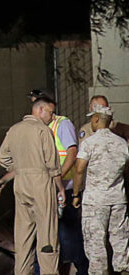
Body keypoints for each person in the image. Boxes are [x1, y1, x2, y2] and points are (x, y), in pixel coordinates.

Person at [0, 96, 65, 275]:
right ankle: (49, 272)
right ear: (40, 110)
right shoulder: (43, 131)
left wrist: (19, 167)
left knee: (23, 235)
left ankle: (22, 271)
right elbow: (53, 164)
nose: (52, 116)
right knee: (47, 233)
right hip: (41, 182)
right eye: (50, 112)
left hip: (21, 183)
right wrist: (61, 188)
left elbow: (2, 158)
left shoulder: (14, 130)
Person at [28, 90, 86, 275]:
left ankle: (82, 269)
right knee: (47, 235)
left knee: (68, 235)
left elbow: (71, 152)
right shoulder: (37, 128)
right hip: (45, 189)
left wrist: (59, 177)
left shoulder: (62, 124)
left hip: (64, 189)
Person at [72, 103, 129, 275]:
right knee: (120, 239)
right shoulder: (121, 143)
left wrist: (75, 194)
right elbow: (125, 167)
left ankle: (99, 272)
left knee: (95, 241)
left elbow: (80, 169)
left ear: (96, 120)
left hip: (95, 201)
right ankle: (124, 269)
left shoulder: (90, 143)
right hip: (118, 198)